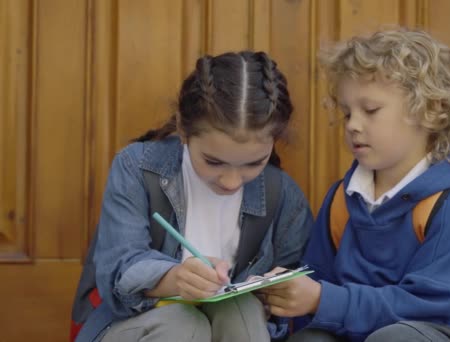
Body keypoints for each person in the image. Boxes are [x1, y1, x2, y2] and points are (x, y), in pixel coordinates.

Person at [257, 28, 450, 342]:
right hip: (358, 329)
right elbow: (319, 283)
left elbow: (430, 306)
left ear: (430, 110)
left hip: (437, 331)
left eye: (370, 110)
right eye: (347, 112)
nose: (353, 125)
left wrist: (324, 299)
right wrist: (291, 291)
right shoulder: (341, 200)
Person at [92, 51, 313, 342]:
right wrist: (174, 279)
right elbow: (118, 268)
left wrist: (279, 293)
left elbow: (293, 286)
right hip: (140, 326)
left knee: (242, 309)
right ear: (183, 128)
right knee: (184, 325)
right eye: (214, 162)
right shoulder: (137, 167)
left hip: (239, 327)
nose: (232, 182)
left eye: (253, 163)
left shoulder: (283, 195)